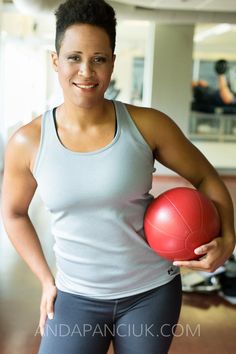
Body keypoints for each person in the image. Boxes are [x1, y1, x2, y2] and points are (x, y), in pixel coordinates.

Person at [1, 1, 235, 353]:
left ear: (112, 61)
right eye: (74, 57)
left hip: (150, 293)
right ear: (55, 60)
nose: (86, 72)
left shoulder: (148, 124)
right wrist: (46, 279)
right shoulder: (28, 140)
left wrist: (227, 238)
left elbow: (205, 176)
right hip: (75, 296)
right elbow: (13, 213)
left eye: (99, 59)